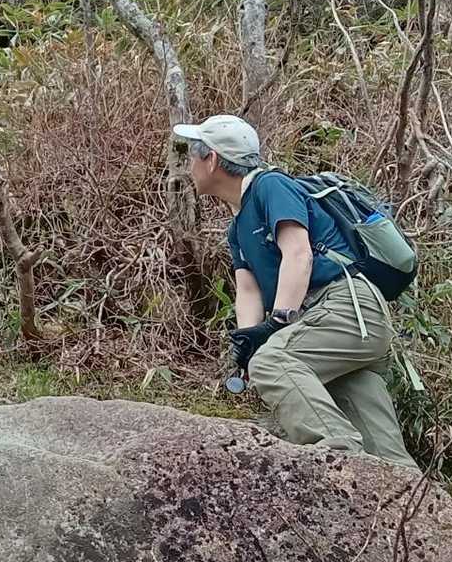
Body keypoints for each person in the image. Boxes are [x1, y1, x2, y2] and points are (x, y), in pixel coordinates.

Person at [176, 115, 417, 467]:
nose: (189, 165)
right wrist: (249, 341)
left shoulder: (271, 186)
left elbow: (298, 254)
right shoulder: (238, 226)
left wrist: (277, 324)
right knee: (383, 450)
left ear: (211, 159)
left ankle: (338, 460)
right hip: (335, 325)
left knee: (273, 362)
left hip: (345, 308)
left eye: (192, 155)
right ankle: (403, 491)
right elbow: (248, 289)